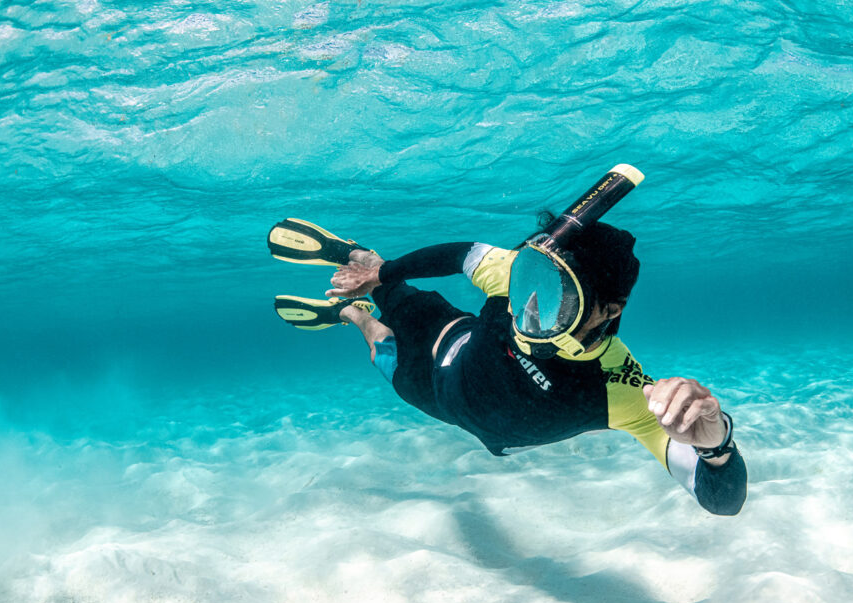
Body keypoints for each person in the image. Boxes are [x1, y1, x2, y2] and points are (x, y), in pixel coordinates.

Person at [268, 166, 747, 515]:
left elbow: (721, 500)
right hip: (449, 330)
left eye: (560, 298)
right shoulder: (519, 273)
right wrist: (386, 270)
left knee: (379, 345)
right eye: (528, 281)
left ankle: (350, 313)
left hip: (436, 396)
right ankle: (362, 261)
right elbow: (462, 254)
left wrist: (715, 445)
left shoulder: (621, 389)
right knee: (394, 290)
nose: (526, 308)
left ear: (609, 311)